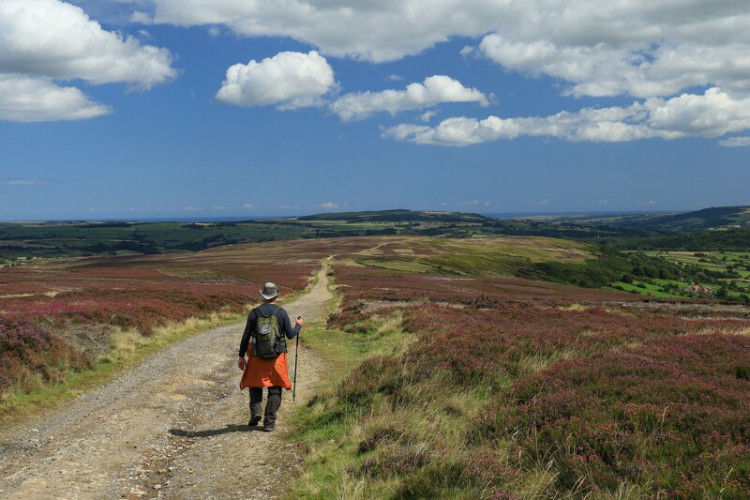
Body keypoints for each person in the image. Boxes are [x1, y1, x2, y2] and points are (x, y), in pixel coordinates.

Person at [238, 282, 303, 432]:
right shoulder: (281, 313)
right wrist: (298, 325)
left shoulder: (254, 313)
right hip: (277, 358)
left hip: (256, 356)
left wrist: (241, 356)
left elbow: (246, 336)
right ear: (276, 295)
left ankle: (256, 412)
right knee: (275, 389)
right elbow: (291, 335)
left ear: (263, 296)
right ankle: (269, 422)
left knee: (255, 384)